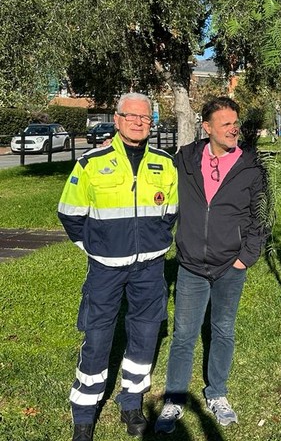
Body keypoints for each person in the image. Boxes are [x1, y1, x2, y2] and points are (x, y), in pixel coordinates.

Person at [57, 93, 178, 441]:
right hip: (105, 270)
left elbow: (169, 213)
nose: (139, 122)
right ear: (117, 118)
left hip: (150, 269)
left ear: (151, 123)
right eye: (131, 116)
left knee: (144, 334)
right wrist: (95, 248)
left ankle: (131, 402)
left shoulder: (164, 163)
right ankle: (84, 413)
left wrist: (152, 242)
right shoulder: (92, 163)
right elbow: (69, 214)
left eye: (145, 118)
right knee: (96, 338)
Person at [154, 96, 268, 434]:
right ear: (207, 128)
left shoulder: (251, 166)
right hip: (191, 264)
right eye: (226, 124)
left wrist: (245, 257)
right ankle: (174, 399)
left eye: (236, 122)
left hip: (230, 266)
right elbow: (155, 179)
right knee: (184, 334)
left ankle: (217, 393)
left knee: (222, 330)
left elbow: (260, 218)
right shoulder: (185, 159)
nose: (234, 129)